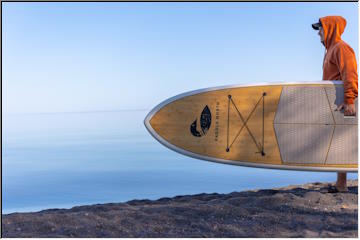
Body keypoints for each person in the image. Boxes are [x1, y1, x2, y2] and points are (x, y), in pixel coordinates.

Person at [312, 16, 358, 192]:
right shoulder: (331, 50)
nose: (318, 33)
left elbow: (350, 74)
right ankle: (341, 184)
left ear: (330, 29)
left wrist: (349, 100)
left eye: (320, 29)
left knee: (344, 142)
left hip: (343, 103)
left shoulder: (341, 48)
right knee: (341, 142)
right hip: (335, 102)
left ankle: (342, 185)